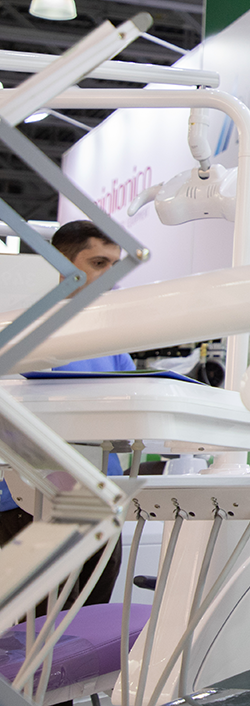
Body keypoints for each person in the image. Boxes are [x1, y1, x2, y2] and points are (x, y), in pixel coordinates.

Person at [0, 220, 135, 609]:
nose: (111, 276)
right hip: (27, 502)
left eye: (115, 265)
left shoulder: (111, 340)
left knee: (91, 622)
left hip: (96, 502)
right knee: (36, 626)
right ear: (58, 265)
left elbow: (132, 407)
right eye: (99, 263)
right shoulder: (21, 327)